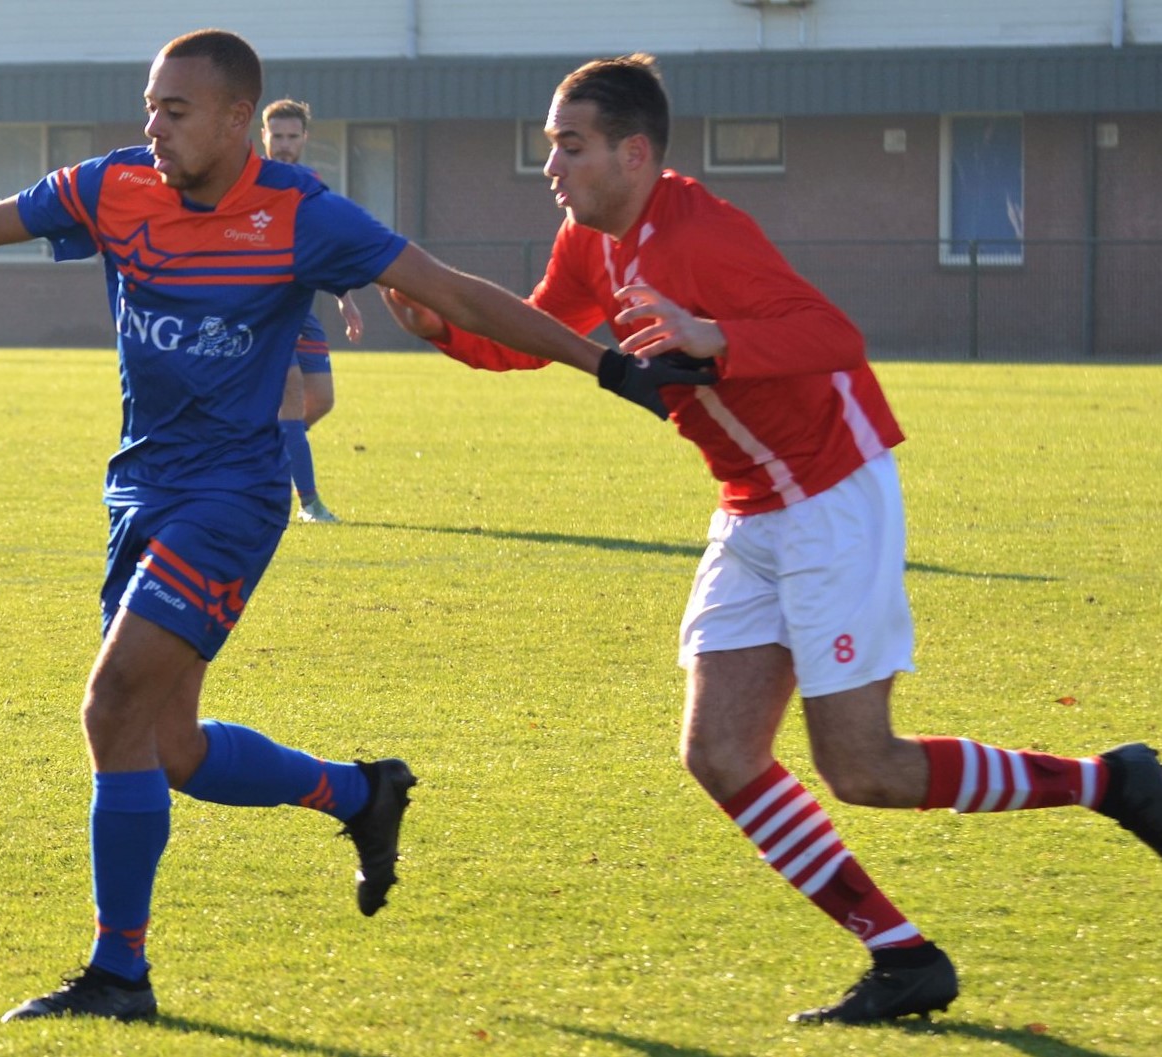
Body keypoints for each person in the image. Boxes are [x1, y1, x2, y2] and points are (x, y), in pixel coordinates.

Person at [0, 30, 707, 1024]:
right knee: (167, 746)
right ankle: (361, 795)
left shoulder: (303, 215)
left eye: (174, 111)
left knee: (110, 707)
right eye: (150, 106)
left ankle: (118, 972)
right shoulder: (113, 186)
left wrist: (606, 365)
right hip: (139, 490)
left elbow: (454, 292)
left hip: (232, 497)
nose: (153, 127)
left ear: (235, 118)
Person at [383, 53, 1162, 1025]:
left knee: (865, 768)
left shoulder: (704, 233)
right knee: (719, 751)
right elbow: (540, 334)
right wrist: (442, 331)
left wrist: (716, 340)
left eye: (569, 146)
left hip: (832, 494)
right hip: (750, 501)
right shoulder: (590, 244)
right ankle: (902, 954)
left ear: (634, 153)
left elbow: (832, 335)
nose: (552, 166)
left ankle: (1114, 781)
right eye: (549, 146)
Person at [261, 98, 359, 523]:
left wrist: (344, 295)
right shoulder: (250, 182)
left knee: (320, 400)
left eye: (291, 136)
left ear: (304, 138)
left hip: (300, 306)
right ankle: (309, 504)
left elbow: (319, 246)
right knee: (292, 394)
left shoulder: (310, 184)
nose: (284, 145)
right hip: (262, 310)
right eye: (276, 136)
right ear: (262, 137)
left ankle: (259, 456)